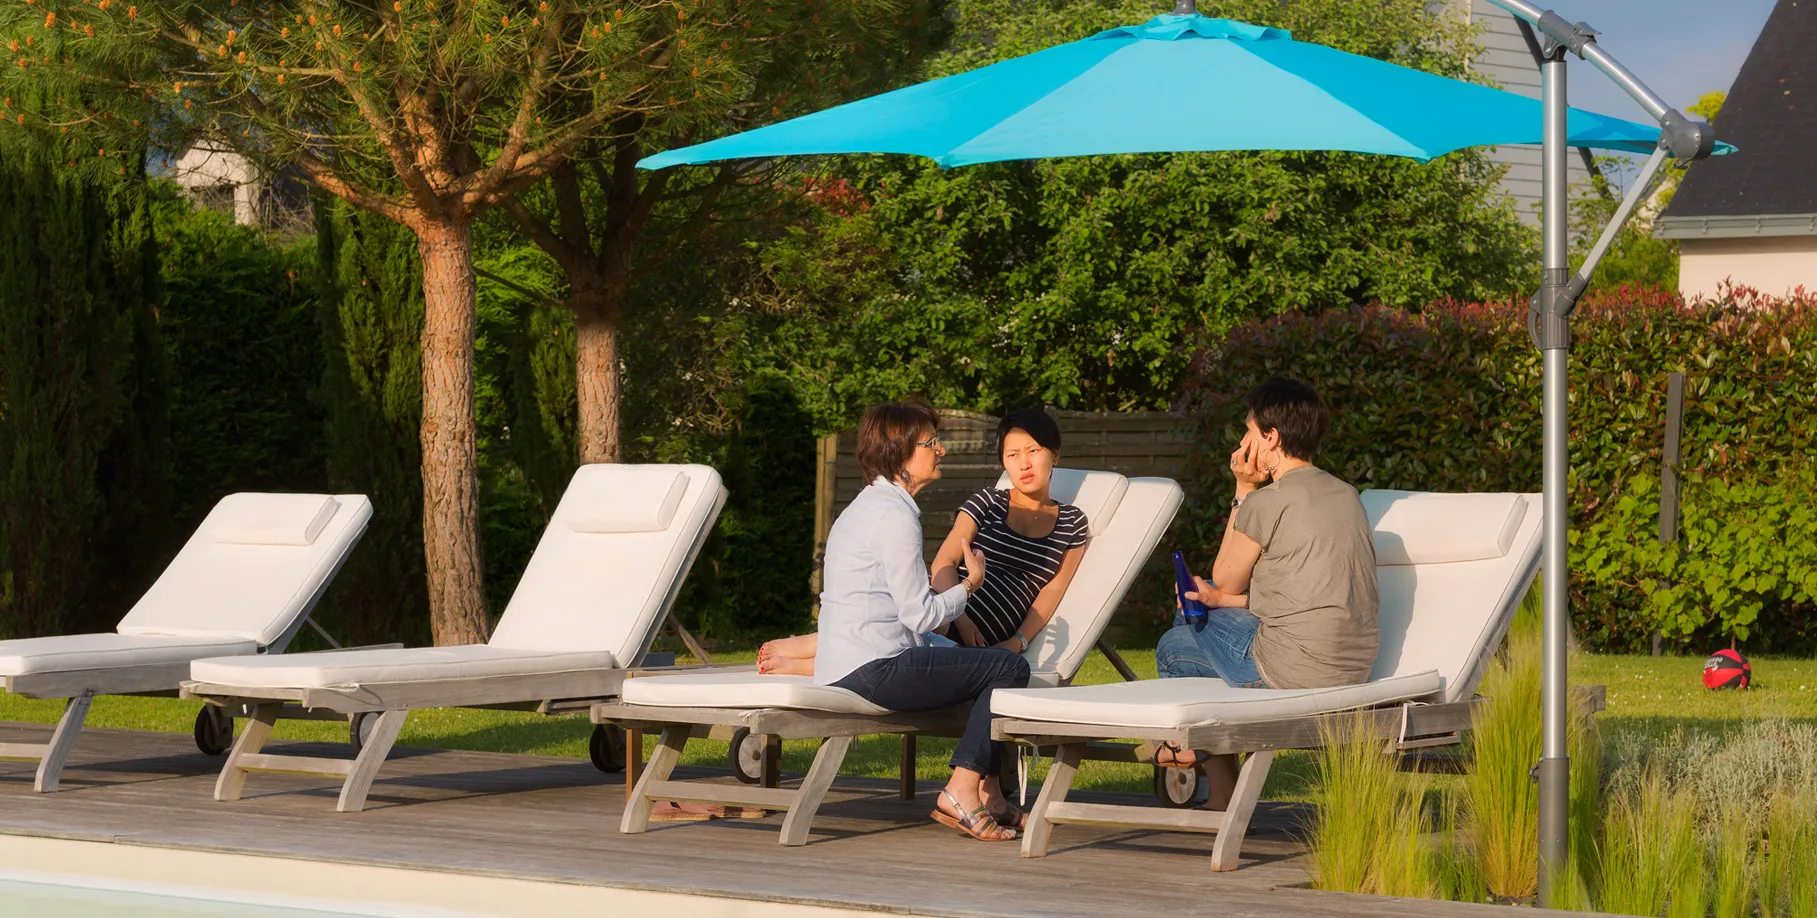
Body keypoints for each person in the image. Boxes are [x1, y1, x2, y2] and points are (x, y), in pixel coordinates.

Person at [1145, 376, 1379, 796]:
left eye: (1248, 431)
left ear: (1270, 438)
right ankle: (1214, 784)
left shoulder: (1268, 500)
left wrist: (1244, 488)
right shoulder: (1347, 494)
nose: (1242, 442)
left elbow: (1226, 576)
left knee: (1173, 645)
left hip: (1291, 671)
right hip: (1352, 665)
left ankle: (1209, 777)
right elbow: (1304, 590)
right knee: (1203, 602)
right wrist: (1221, 598)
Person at [810, 399, 1032, 842]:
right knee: (1009, 667)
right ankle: (961, 790)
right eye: (931, 443)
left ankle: (990, 795)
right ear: (900, 454)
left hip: (847, 665)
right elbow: (920, 615)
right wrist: (969, 586)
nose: (941, 450)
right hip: (875, 670)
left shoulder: (868, 507)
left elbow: (903, 608)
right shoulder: (894, 517)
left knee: (983, 668)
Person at [759, 408, 1089, 663]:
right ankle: (811, 650)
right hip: (947, 613)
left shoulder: (1072, 523)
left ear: (1054, 454)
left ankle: (811, 652)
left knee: (910, 639)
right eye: (1012, 454)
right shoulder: (988, 502)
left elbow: (1053, 589)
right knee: (920, 629)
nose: (1024, 464)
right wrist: (961, 617)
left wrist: (1017, 642)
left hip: (992, 637)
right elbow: (945, 561)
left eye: (1033, 451)